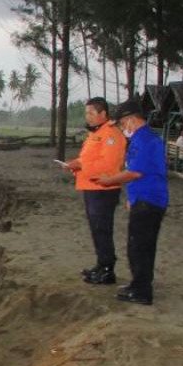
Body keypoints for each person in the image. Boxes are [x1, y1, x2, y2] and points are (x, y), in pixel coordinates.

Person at [94, 99, 169, 305]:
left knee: (140, 247)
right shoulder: (140, 139)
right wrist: (131, 198)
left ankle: (142, 290)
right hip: (143, 199)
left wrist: (109, 180)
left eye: (121, 124)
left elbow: (135, 172)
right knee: (139, 245)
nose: (121, 128)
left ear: (131, 120)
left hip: (149, 200)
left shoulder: (145, 141)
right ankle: (139, 284)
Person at [65, 97, 127, 285]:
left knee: (102, 229)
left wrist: (81, 165)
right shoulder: (95, 133)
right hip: (91, 186)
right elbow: (90, 158)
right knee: (96, 229)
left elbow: (109, 164)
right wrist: (76, 165)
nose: (88, 116)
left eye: (92, 113)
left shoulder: (111, 134)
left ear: (103, 114)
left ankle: (108, 269)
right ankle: (101, 265)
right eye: (86, 113)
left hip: (104, 188)